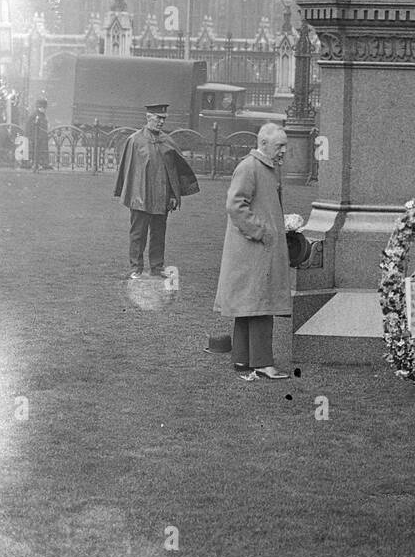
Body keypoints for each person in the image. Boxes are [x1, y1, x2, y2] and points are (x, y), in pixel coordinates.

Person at [213, 123, 292, 380]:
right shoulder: (250, 167)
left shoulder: (267, 168)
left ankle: (242, 359)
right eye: (280, 146)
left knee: (249, 302)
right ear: (264, 144)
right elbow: (235, 205)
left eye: (285, 146)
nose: (283, 151)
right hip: (254, 248)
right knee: (260, 302)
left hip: (255, 248)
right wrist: (262, 232)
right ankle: (262, 363)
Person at [113, 104, 199, 278]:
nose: (161, 122)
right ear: (148, 117)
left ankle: (157, 267)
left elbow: (175, 170)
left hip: (162, 196)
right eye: (158, 118)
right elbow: (128, 169)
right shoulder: (135, 140)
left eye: (164, 119)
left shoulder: (168, 141)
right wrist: (130, 194)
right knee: (138, 233)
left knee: (159, 233)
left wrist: (174, 195)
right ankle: (135, 268)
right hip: (140, 195)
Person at [27, 96, 51, 171]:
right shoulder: (34, 115)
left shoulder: (41, 115)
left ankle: (42, 163)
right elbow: (29, 127)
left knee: (41, 151)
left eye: (44, 107)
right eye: (42, 107)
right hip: (36, 137)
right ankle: (38, 164)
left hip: (42, 137)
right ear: (38, 107)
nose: (43, 109)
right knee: (37, 151)